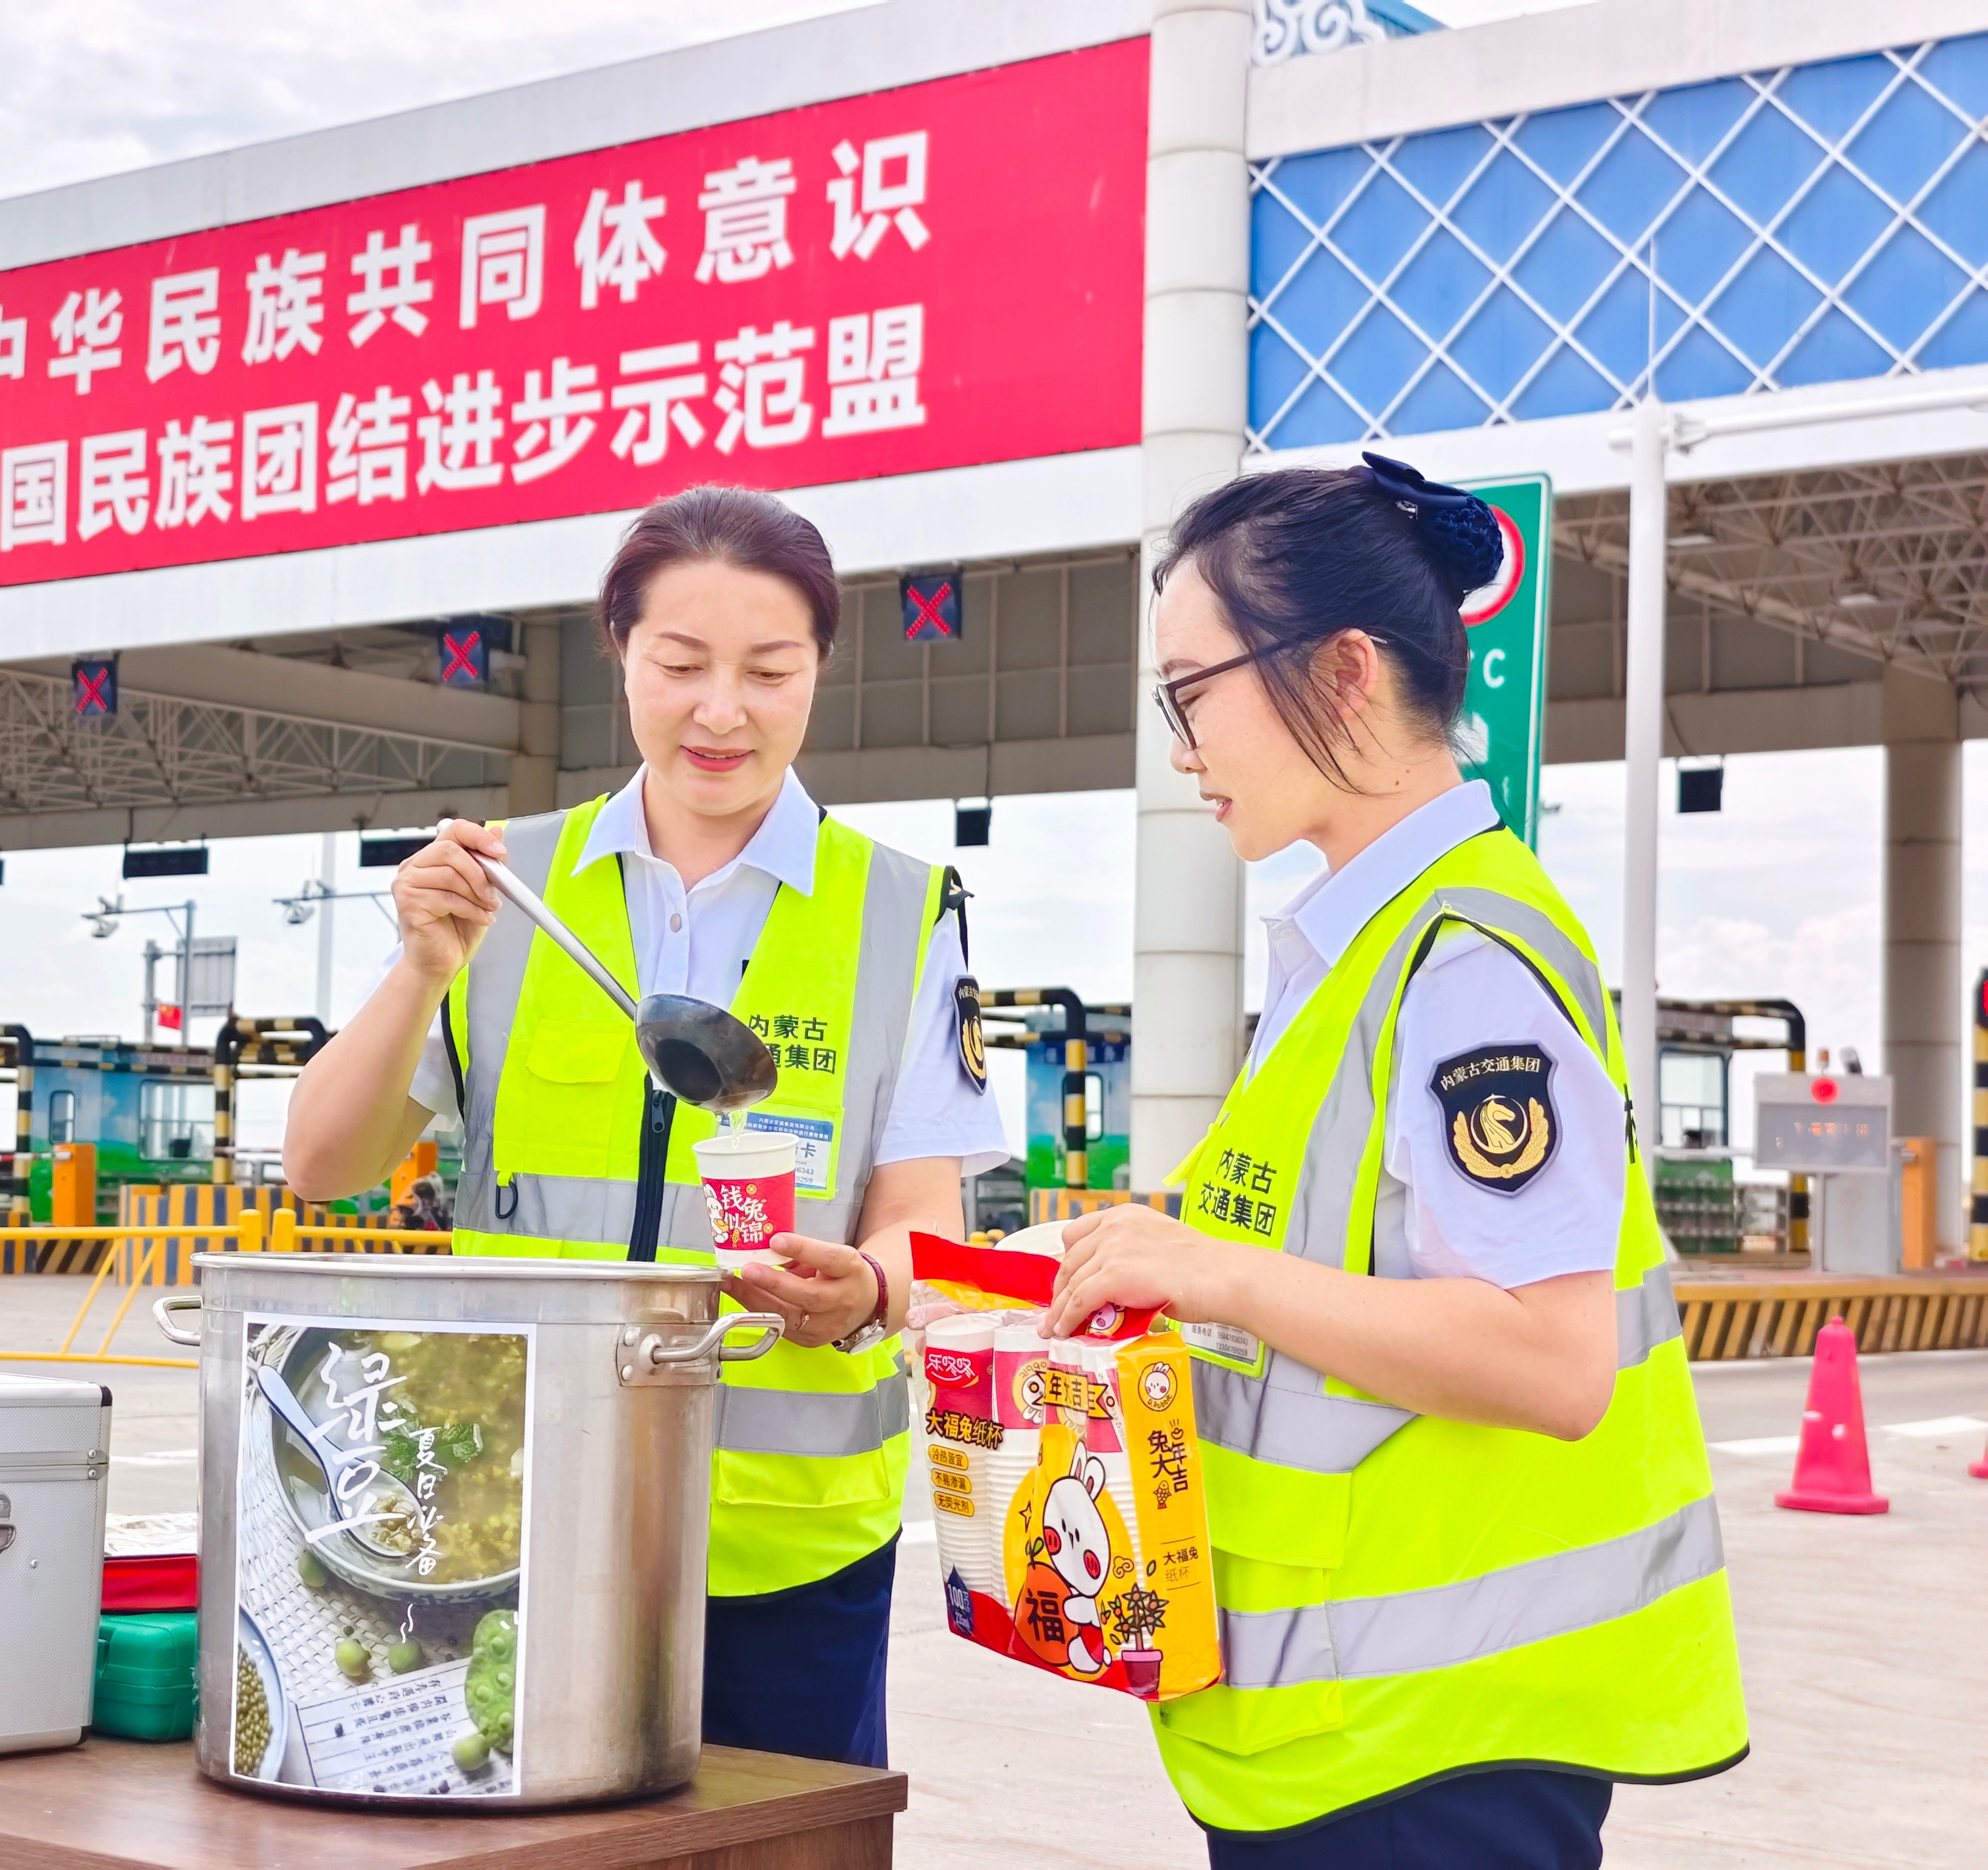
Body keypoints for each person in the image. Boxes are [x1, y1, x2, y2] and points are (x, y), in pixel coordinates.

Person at [1043, 455, 1748, 1869]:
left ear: (1345, 669)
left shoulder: (1463, 960)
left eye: (1190, 693)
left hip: (1437, 1747)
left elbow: (1549, 1361)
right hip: (1342, 1727)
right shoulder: (1359, 945)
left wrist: (1211, 1274)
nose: (1181, 748)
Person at [283, 484, 1004, 1769]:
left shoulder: (901, 910)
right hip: (509, 1529)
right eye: (679, 664)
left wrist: (870, 1289)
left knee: (773, 1850)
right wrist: (421, 971)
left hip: (788, 1557)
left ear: (819, 673)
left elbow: (923, 1223)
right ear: (620, 654)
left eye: (768, 671)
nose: (721, 711)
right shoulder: (505, 890)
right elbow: (323, 1164)